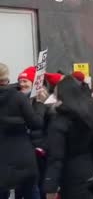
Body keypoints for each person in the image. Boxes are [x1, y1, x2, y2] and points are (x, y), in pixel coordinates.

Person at [43, 76, 93, 199]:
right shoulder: (90, 114)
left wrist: (50, 187)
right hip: (91, 168)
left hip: (70, 174)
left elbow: (56, 157)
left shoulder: (60, 120)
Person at [0, 63, 45, 199]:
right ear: (6, 78)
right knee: (31, 192)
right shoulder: (18, 97)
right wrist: (40, 104)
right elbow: (37, 123)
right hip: (23, 158)